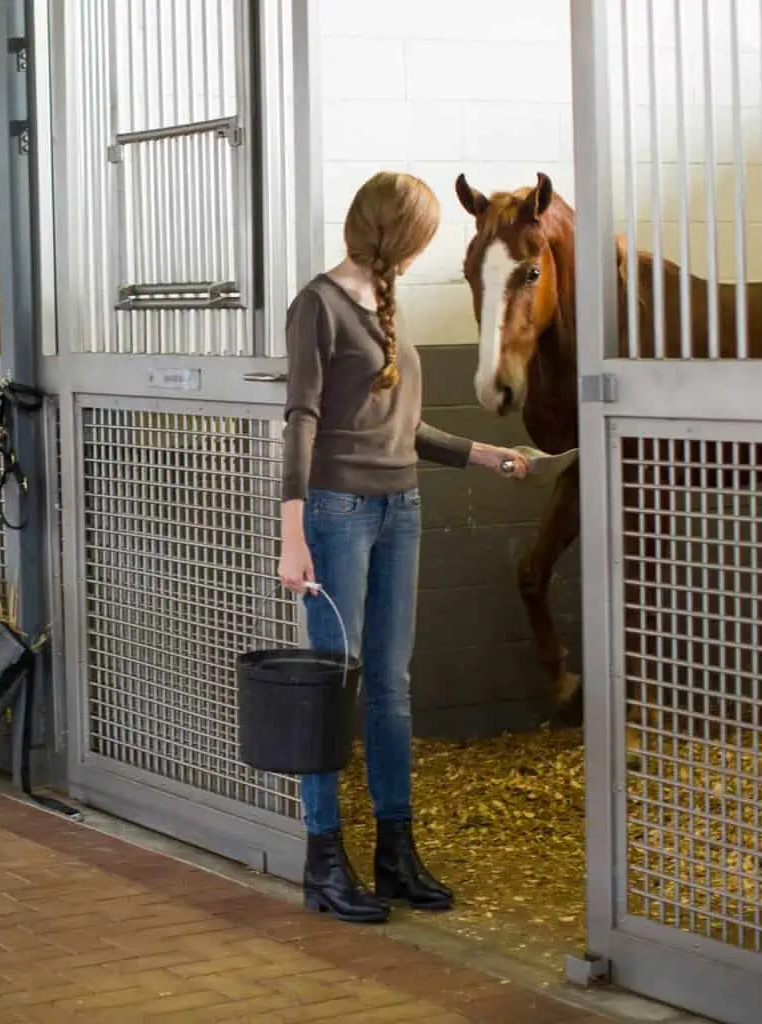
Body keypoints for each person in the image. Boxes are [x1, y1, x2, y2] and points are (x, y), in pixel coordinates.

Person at [277, 171, 531, 924]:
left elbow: (400, 429)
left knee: (392, 684)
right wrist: (293, 535)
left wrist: (481, 455)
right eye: (424, 236)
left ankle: (395, 852)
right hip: (337, 512)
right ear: (401, 235)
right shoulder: (317, 305)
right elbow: (302, 421)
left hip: (402, 508)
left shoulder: (388, 307)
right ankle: (323, 860)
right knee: (333, 686)